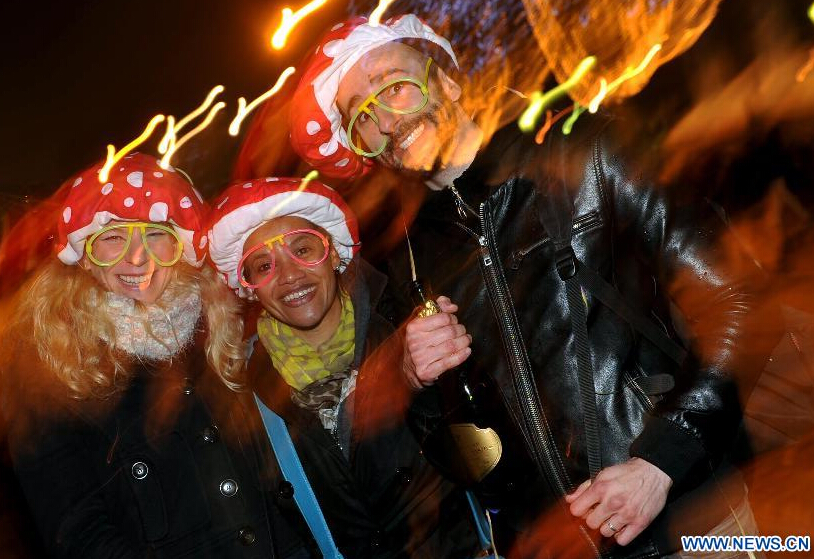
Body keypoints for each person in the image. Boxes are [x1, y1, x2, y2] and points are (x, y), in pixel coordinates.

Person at [286, 15, 772, 559]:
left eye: (395, 86)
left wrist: (661, 463)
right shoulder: (411, 259)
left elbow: (739, 298)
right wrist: (410, 378)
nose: (388, 122)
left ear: (447, 81)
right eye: (363, 118)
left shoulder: (582, 151)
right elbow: (456, 445)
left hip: (688, 523)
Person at [0, 154, 308, 559]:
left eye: (154, 234)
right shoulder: (50, 370)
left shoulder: (221, 328)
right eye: (113, 237)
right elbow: (80, 534)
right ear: (85, 256)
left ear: (179, 245)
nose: (137, 258)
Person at [205, 177, 480, 559]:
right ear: (249, 287)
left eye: (303, 249)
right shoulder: (243, 396)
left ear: (333, 254)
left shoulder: (407, 324)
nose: (288, 275)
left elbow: (482, 448)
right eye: (263, 266)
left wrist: (413, 382)